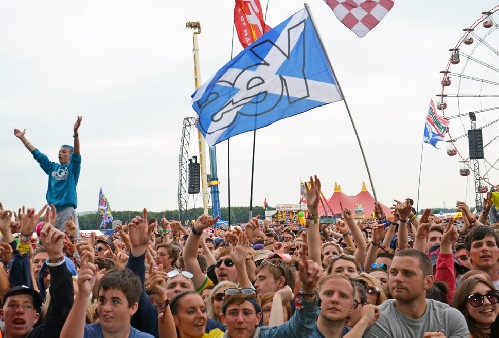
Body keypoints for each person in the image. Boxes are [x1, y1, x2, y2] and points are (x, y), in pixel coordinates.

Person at [365, 248, 469, 338]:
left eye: (408, 273)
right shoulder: (378, 319)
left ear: (428, 282)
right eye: (393, 272)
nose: (398, 278)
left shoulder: (450, 317)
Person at [14, 116, 83, 233]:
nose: (60, 153)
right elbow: (38, 155)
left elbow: (77, 154)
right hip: (53, 211)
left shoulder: (72, 168)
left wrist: (75, 134)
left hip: (67, 210)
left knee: (69, 241)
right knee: (50, 241)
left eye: (64, 152)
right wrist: (23, 139)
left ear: (70, 156)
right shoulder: (52, 167)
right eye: (59, 151)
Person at [60, 266, 154, 338]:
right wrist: (83, 293)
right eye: (102, 300)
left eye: (115, 302)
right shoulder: (85, 333)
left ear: (133, 308)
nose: (106, 308)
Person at [311, 274, 380, 338]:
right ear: (318, 301)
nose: (335, 299)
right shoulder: (303, 331)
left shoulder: (357, 334)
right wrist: (364, 321)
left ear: (352, 307)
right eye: (328, 294)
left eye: (343, 296)